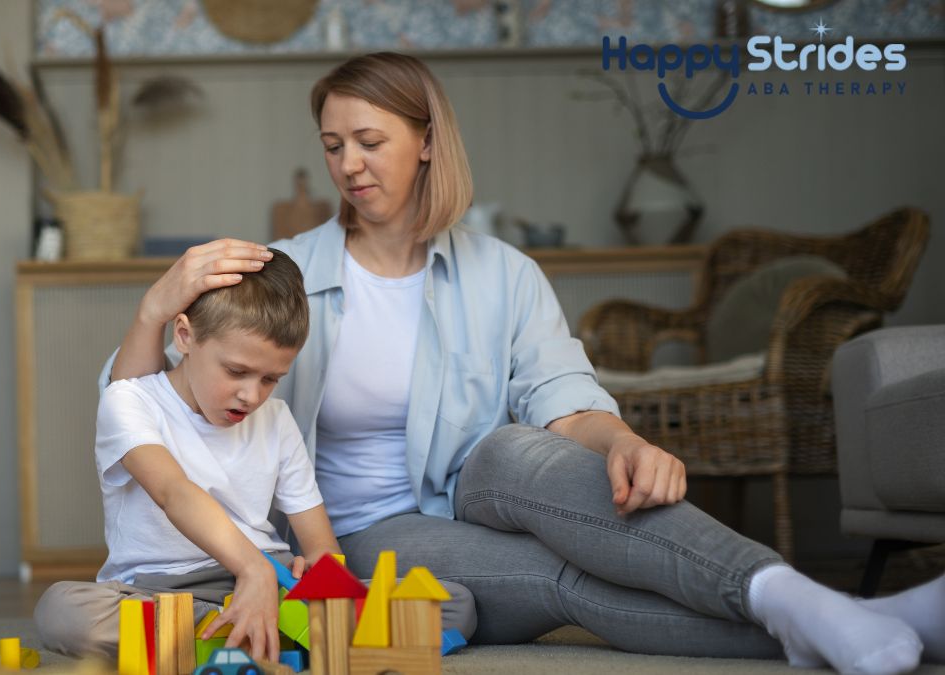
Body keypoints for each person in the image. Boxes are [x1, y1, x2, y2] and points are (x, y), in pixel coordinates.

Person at [104, 52, 944, 674]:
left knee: (515, 446)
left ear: (427, 142)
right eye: (333, 145)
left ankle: (807, 604)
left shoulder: (502, 272)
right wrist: (152, 305)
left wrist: (621, 442)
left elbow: (562, 396)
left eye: (369, 140)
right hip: (358, 535)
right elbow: (146, 397)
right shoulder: (281, 271)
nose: (348, 165)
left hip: (483, 488)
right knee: (561, 578)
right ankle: (832, 614)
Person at [34, 249, 476, 662]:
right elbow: (173, 491)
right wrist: (251, 570)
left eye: (270, 379)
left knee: (455, 604)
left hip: (273, 578)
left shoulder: (277, 420)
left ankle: (245, 636)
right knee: (63, 610)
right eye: (236, 372)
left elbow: (320, 542)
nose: (251, 395)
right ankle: (264, 636)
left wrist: (321, 576)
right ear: (185, 336)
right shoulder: (129, 400)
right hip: (162, 590)